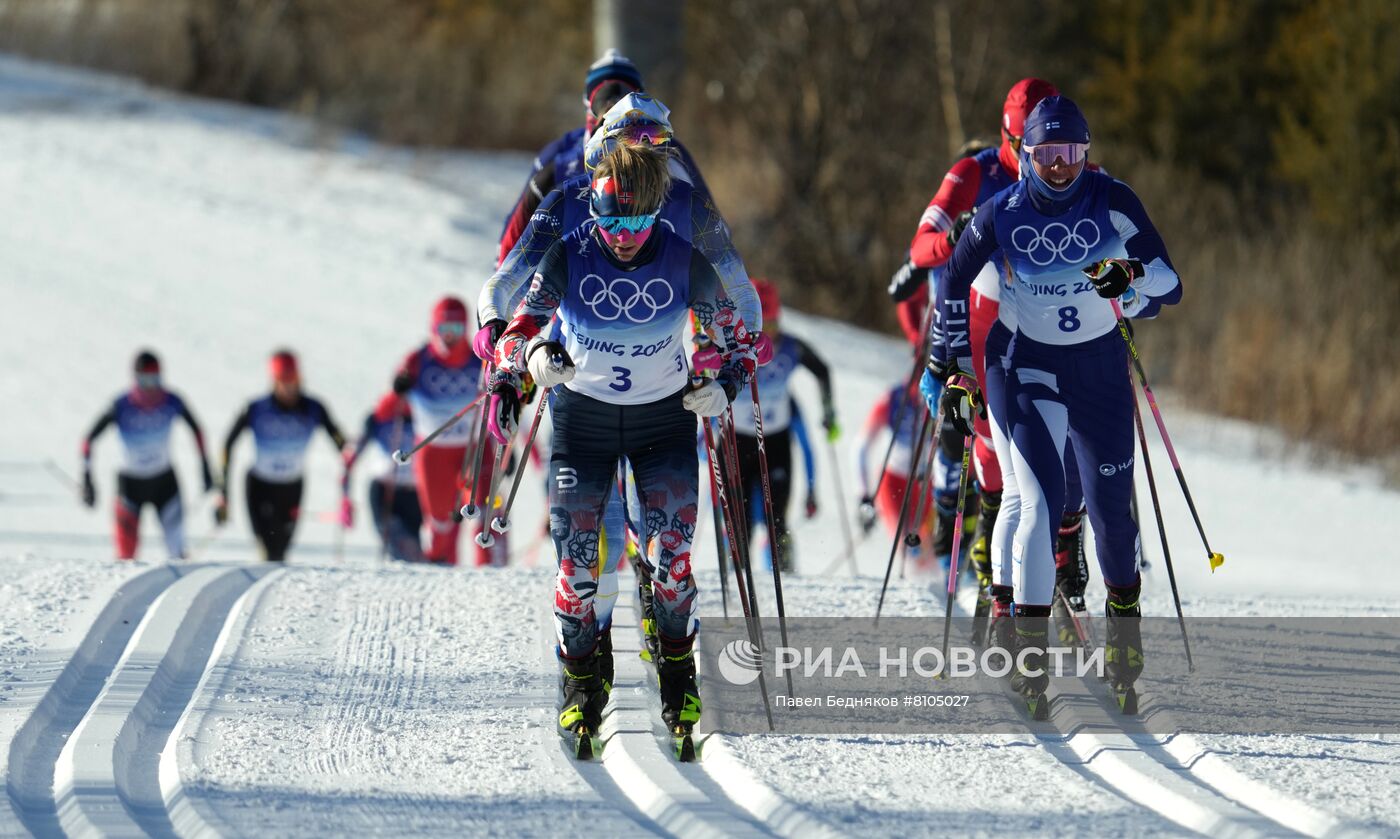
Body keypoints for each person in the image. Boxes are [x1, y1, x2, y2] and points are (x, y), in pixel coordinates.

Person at [492, 141, 755, 758]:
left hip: (662, 423)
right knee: (579, 565)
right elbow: (518, 329)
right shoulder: (571, 253)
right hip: (582, 422)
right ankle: (581, 681)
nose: (625, 235)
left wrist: (724, 386)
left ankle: (678, 679)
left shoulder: (686, 262)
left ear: (657, 213)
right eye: (611, 221)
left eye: (638, 222)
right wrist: (531, 359)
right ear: (595, 213)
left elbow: (740, 343)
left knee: (671, 562)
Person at [927, 94, 1182, 706]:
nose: (1061, 168)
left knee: (1111, 518)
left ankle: (1124, 630)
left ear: (1086, 153)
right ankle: (1030, 652)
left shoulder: (1111, 199)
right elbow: (954, 284)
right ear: (1026, 157)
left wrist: (1129, 280)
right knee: (1039, 506)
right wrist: (955, 368)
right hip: (1026, 364)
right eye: (1047, 155)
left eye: (1070, 154)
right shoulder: (1000, 213)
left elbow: (1170, 283)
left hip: (1097, 370)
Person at [495, 50, 712, 267]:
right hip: (577, 276)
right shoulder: (560, 159)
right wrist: (504, 282)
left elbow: (711, 228)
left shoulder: (666, 148)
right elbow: (516, 230)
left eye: (624, 96)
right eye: (603, 97)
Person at [728, 278, 834, 572]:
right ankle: (735, 577)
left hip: (775, 443)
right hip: (737, 442)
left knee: (777, 521)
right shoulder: (732, 347)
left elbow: (822, 370)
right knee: (741, 522)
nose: (769, 334)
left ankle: (785, 578)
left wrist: (829, 412)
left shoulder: (791, 348)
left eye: (773, 323)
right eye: (761, 327)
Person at [392, 296, 503, 567]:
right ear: (434, 328)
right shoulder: (419, 359)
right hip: (433, 453)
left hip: (475, 448)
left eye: (456, 330)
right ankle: (441, 564)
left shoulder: (481, 357)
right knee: (440, 518)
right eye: (444, 330)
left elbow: (502, 401)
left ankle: (486, 570)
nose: (450, 337)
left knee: (483, 506)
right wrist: (400, 385)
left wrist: (506, 447)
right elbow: (391, 402)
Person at [81, 350, 213, 560]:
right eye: (145, 380)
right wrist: (87, 478)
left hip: (165, 484)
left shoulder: (172, 401)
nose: (151, 387)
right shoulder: (121, 406)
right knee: (125, 557)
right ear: (135, 378)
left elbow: (197, 431)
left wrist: (205, 467)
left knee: (178, 553)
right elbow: (88, 440)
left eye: (155, 379)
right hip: (130, 487)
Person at [215, 350, 345, 562]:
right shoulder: (255, 409)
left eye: (293, 380)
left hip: (292, 488)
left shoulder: (314, 408)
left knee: (282, 551)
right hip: (259, 488)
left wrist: (347, 467)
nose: (289, 387)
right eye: (283, 381)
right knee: (268, 551)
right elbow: (228, 445)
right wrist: (223, 493)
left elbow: (342, 444)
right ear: (274, 381)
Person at [855, 374, 937, 566]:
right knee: (906, 547)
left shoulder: (940, 395)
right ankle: (911, 588)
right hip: (893, 481)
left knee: (929, 548)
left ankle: (935, 589)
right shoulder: (892, 398)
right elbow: (861, 447)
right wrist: (864, 496)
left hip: (927, 481)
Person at [342, 392, 423, 562]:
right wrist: (345, 498)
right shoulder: (379, 415)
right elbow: (350, 457)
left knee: (413, 551)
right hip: (384, 491)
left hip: (415, 494)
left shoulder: (424, 411)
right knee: (399, 546)